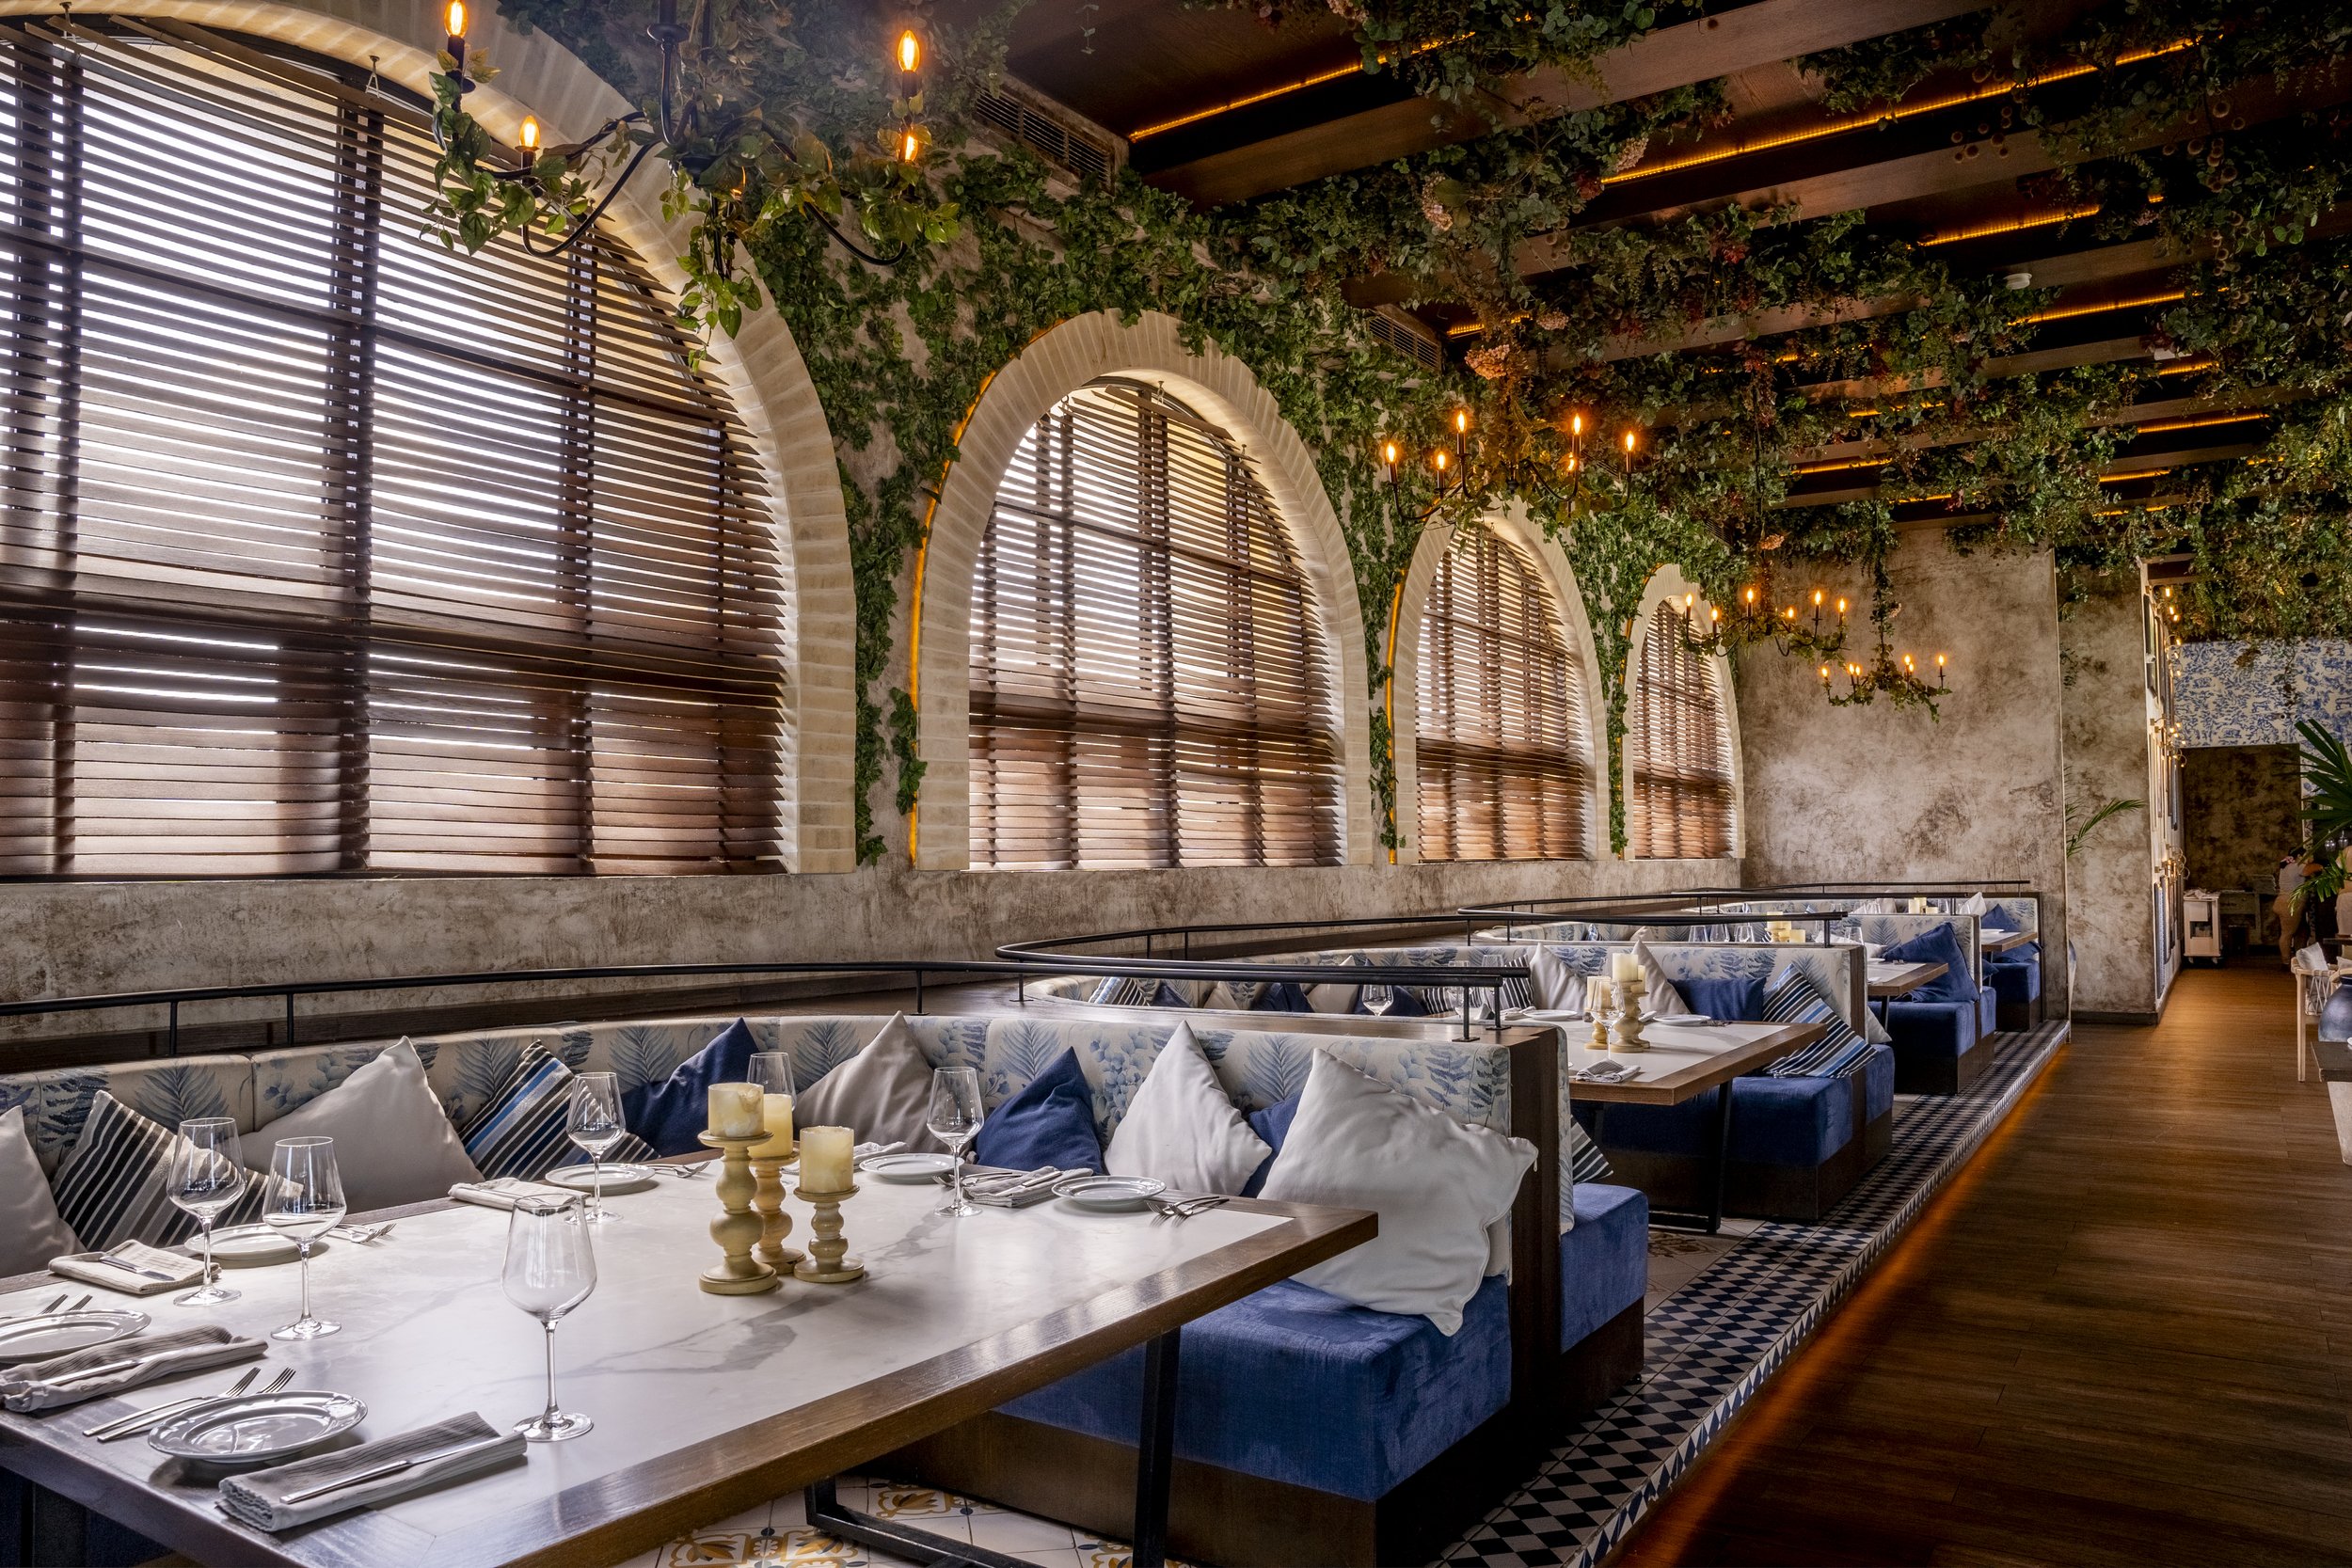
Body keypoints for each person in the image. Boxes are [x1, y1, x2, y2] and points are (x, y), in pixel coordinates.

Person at [2279, 851, 2309, 964]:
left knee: (2301, 932)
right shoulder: (2295, 866)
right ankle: (2286, 961)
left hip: (2287, 903)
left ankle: (2298, 959)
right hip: (2289, 903)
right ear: (2299, 856)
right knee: (2287, 933)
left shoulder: (2288, 866)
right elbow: (2309, 870)